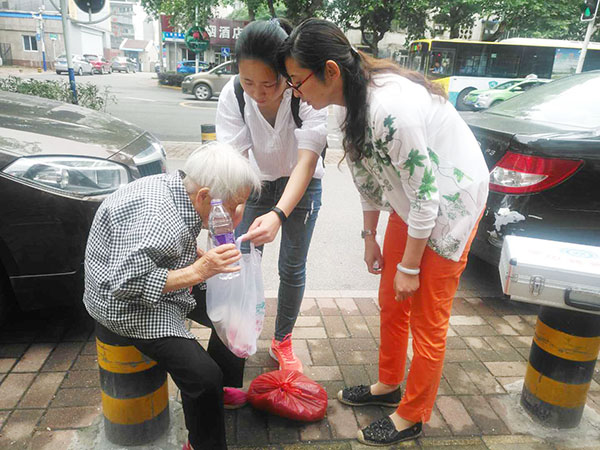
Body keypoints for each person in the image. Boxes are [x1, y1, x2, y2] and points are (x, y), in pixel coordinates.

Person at [278, 19, 489, 446]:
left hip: (452, 202)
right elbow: (368, 178)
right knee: (391, 300)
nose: (295, 93)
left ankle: (412, 415)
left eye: (297, 82)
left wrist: (410, 267)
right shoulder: (345, 103)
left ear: (330, 71)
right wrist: (369, 236)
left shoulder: (390, 110)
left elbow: (428, 197)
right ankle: (389, 385)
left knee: (428, 318)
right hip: (412, 202)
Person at [83, 142, 262, 450]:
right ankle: (202, 442)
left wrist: (196, 259)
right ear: (203, 196)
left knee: (234, 309)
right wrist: (200, 270)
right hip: (125, 303)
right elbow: (125, 284)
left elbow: (160, 247)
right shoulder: (159, 220)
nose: (235, 216)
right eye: (232, 207)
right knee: (204, 377)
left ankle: (223, 390)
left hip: (156, 276)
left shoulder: (179, 188)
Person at [216, 19, 328, 373]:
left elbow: (307, 162)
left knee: (292, 267)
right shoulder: (234, 95)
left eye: (269, 83)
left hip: (302, 184)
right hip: (257, 182)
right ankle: (238, 335)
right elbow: (235, 162)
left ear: (286, 72)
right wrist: (233, 208)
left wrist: (279, 214)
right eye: (248, 82)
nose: (258, 92)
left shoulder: (306, 94)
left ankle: (283, 341)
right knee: (239, 257)